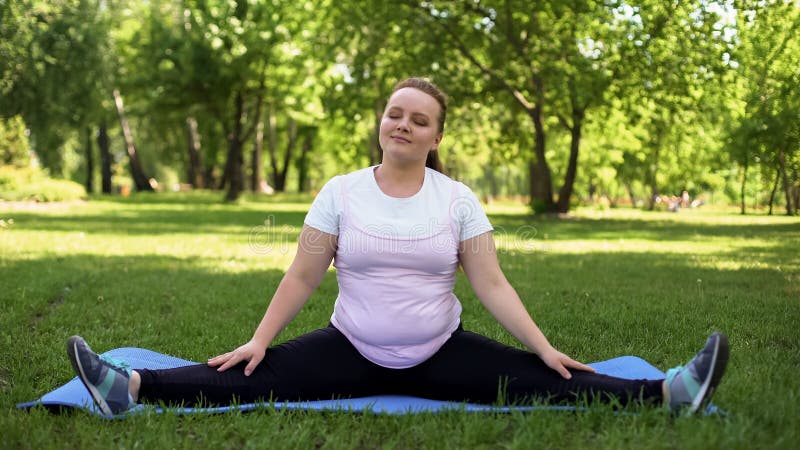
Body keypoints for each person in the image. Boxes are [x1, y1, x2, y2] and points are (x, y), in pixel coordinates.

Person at [66, 77, 729, 417]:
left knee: (544, 378)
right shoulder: (341, 191)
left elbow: (491, 283)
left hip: (440, 351)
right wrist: (261, 338)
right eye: (395, 113)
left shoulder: (457, 200)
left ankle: (668, 395)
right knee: (243, 374)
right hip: (348, 345)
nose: (403, 124)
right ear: (382, 121)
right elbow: (302, 274)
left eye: (419, 119)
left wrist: (542, 343)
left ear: (435, 136)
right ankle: (128, 385)